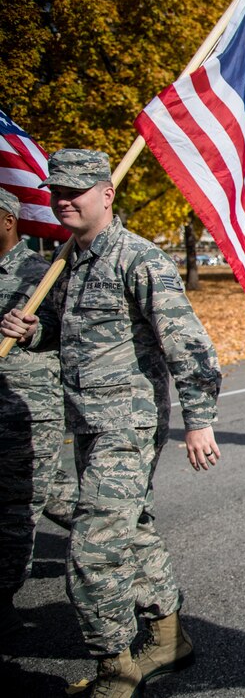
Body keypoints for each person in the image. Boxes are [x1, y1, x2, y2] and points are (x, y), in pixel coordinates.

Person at [0, 149, 222, 698]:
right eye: (57, 191)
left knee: (92, 549)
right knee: (133, 528)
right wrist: (31, 330)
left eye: (76, 190)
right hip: (88, 422)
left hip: (128, 425)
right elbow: (66, 333)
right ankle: (170, 639)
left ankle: (115, 668)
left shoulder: (138, 258)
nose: (63, 200)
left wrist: (200, 421)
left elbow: (189, 345)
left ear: (107, 193)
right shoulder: (69, 259)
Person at [0, 188, 64, 637]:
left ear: (7, 221)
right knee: (58, 495)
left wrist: (35, 329)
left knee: (14, 511)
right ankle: (121, 530)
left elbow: (72, 330)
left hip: (25, 412)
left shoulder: (41, 273)